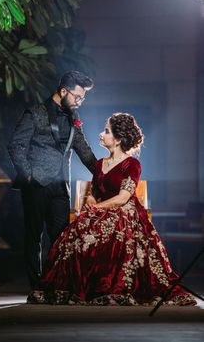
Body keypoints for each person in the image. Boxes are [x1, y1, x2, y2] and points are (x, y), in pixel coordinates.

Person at [40, 112, 196, 306]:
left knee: (112, 229)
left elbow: (123, 197)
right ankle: (82, 287)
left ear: (119, 139)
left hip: (124, 210)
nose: (101, 134)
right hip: (101, 209)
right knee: (76, 232)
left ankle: (111, 285)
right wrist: (90, 200)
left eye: (106, 131)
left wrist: (97, 207)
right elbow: (95, 192)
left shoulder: (132, 164)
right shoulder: (99, 164)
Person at [8, 71, 97, 303]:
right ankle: (36, 287)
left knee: (60, 239)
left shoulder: (73, 117)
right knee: (34, 237)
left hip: (61, 187)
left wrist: (105, 174)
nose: (80, 101)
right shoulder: (35, 112)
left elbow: (84, 151)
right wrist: (27, 176)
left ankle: (54, 284)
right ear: (63, 91)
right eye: (78, 96)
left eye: (82, 98)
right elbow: (16, 145)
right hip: (36, 184)